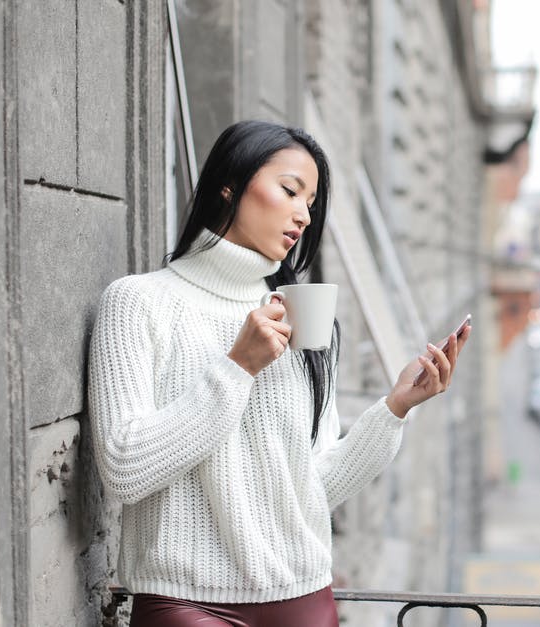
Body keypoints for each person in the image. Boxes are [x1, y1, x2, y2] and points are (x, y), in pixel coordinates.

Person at [87, 120, 469, 626]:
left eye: (310, 203)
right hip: (184, 604)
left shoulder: (301, 317)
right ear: (231, 183)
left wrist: (395, 408)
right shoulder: (138, 303)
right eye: (290, 191)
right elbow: (123, 468)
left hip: (303, 598)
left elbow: (311, 487)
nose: (303, 216)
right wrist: (237, 368)